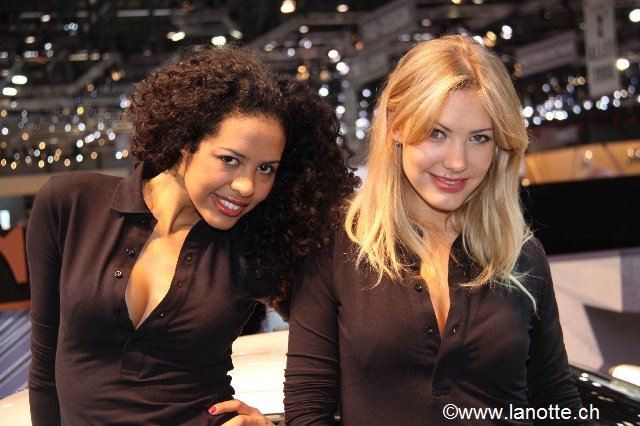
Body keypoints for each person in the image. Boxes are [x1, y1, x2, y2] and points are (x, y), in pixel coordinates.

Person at [26, 45, 358, 425]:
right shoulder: (70, 204)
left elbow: (352, 340)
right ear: (186, 141)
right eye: (230, 160)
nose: (247, 186)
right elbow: (44, 368)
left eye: (266, 168)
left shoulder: (259, 248)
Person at [284, 34, 587, 425]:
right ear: (396, 124)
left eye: (479, 138)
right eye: (436, 133)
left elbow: (556, 398)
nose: (457, 162)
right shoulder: (337, 245)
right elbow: (308, 407)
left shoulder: (520, 254)